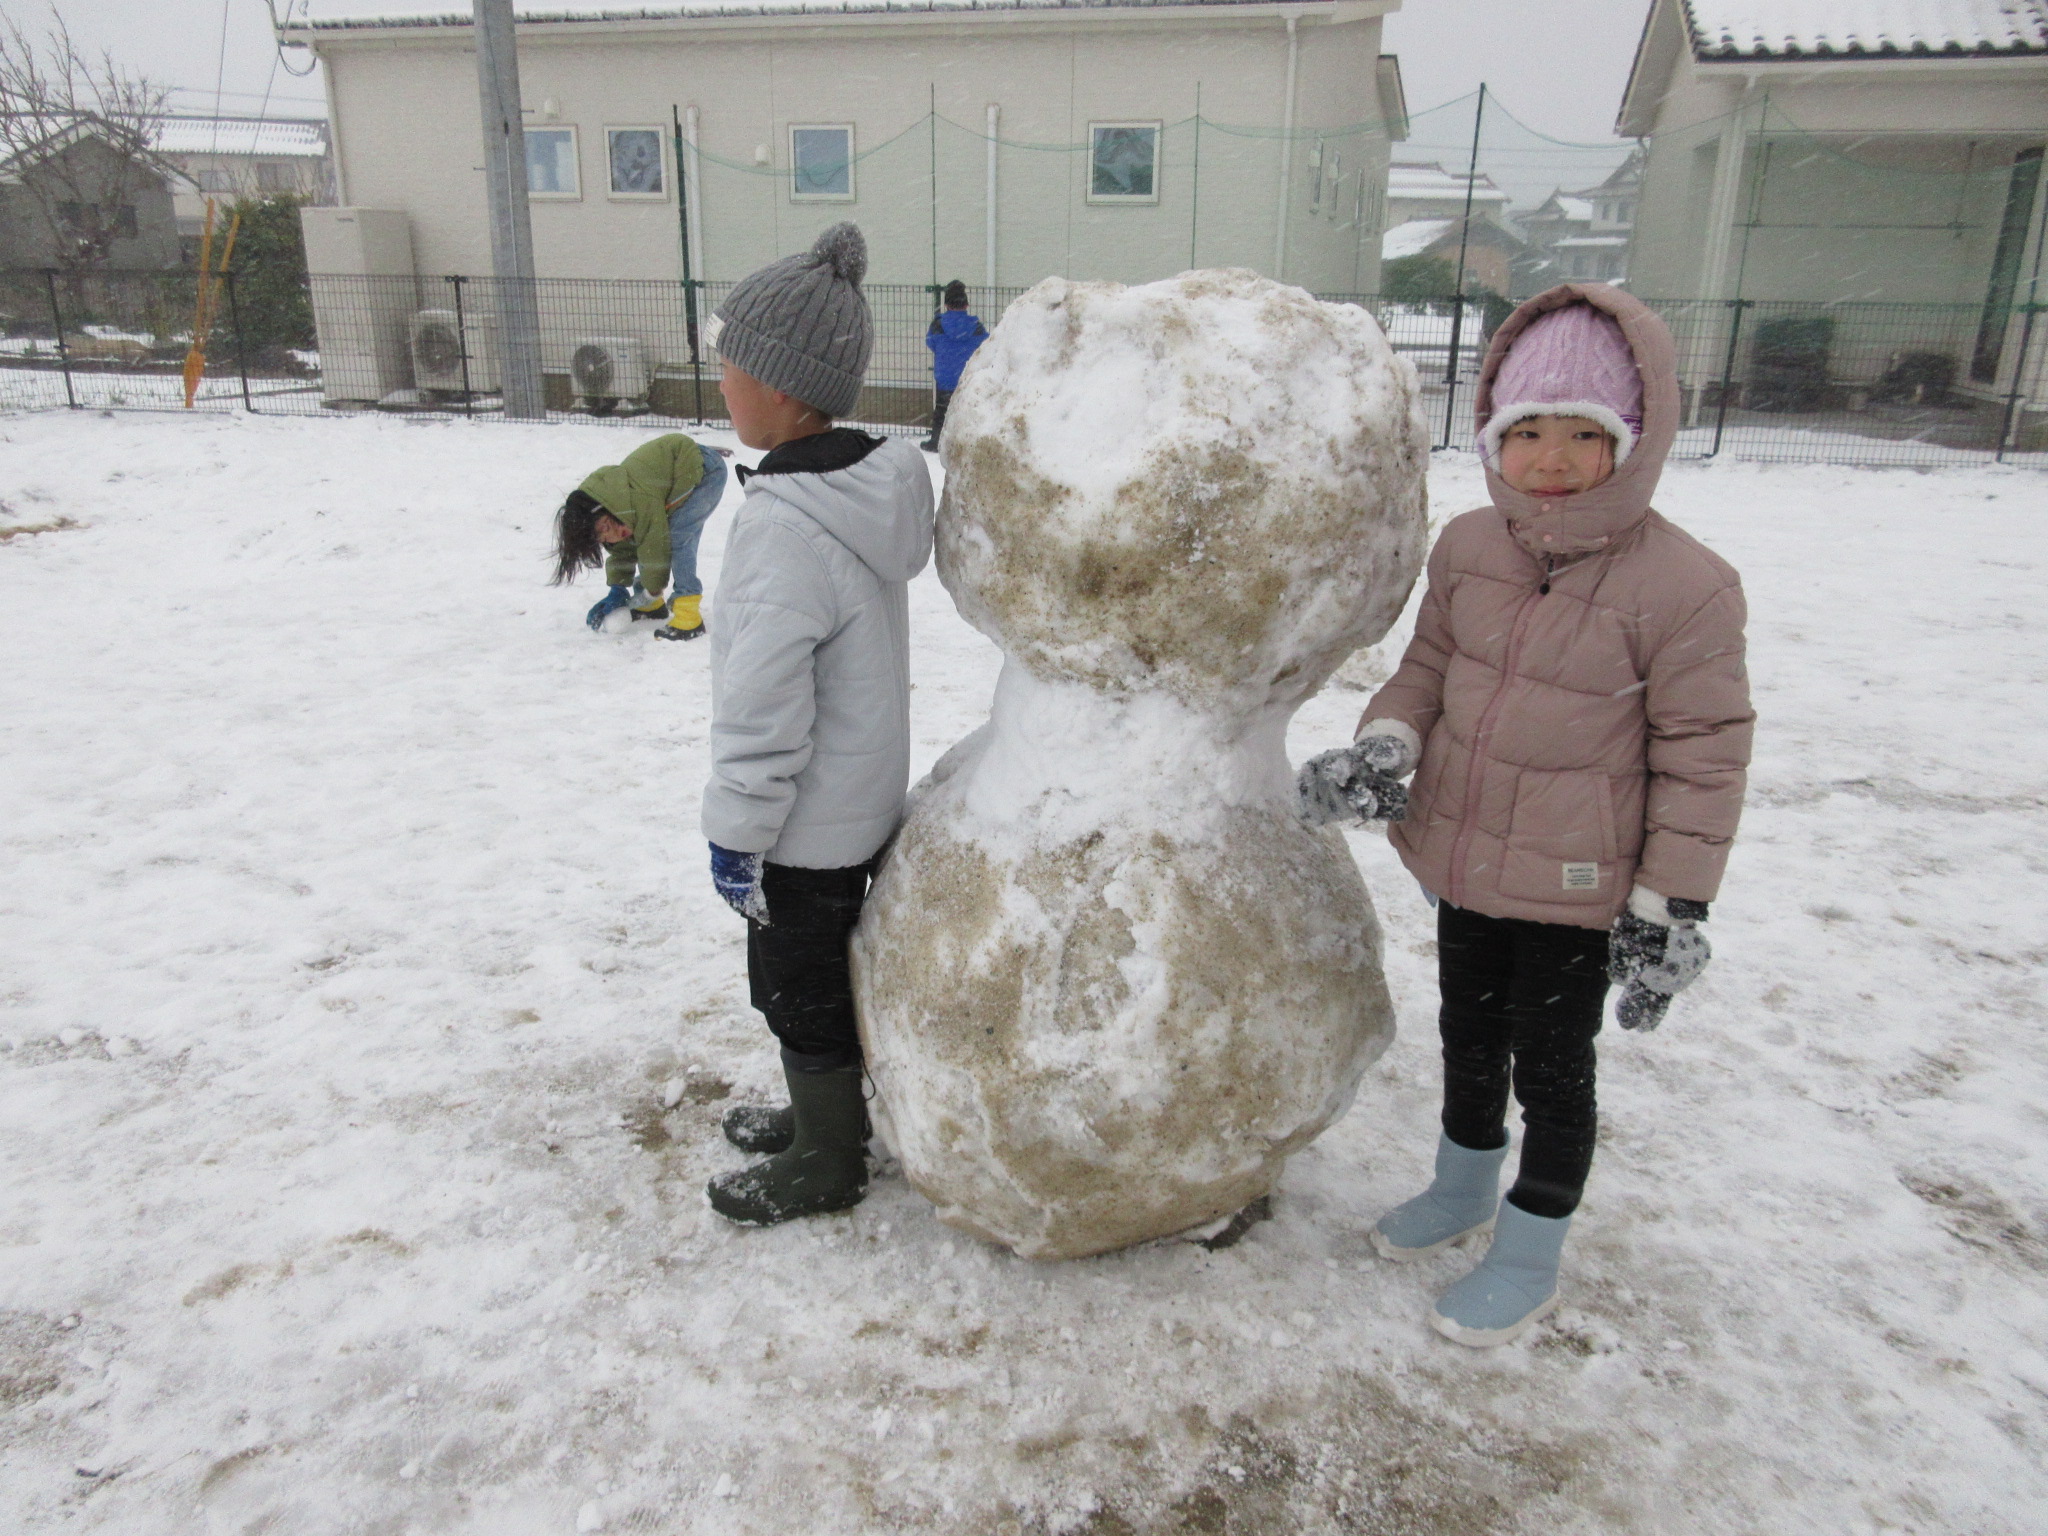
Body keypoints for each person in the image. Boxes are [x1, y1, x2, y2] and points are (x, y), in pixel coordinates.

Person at [1300, 285, 1753, 1347]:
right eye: (1527, 431)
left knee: (1552, 1067)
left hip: (1577, 886)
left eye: (1582, 434)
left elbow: (1704, 755)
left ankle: (1529, 1243)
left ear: (1629, 444)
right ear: (1493, 435)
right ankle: (1460, 1188)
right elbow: (1425, 672)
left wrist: (1667, 902)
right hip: (1461, 855)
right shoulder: (1468, 547)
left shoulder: (1686, 588)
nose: (1549, 458)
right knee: (1466, 1034)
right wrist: (1387, 745)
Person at [697, 222, 936, 1226]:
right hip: (855, 799)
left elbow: (763, 704)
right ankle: (820, 1114)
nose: (720, 380)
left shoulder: (785, 528)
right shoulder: (855, 493)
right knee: (820, 972)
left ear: (786, 390)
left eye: (733, 366)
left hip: (798, 821)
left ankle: (830, 1155)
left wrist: (737, 830)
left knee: (794, 982)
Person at [550, 433, 729, 640]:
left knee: (677, 538)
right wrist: (617, 589)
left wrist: (649, 592)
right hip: (669, 479)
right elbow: (624, 549)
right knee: (643, 536)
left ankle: (688, 614)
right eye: (603, 540)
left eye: (607, 527)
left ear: (605, 509)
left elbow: (654, 546)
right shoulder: (617, 512)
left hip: (705, 470)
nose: (612, 536)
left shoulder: (637, 500)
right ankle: (653, 607)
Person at [920, 278, 988, 453]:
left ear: (946, 305)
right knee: (966, 411)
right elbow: (986, 345)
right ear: (966, 305)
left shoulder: (938, 324)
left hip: (945, 377)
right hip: (967, 377)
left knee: (942, 411)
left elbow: (931, 343)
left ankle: (937, 440)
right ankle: (966, 443)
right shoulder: (975, 326)